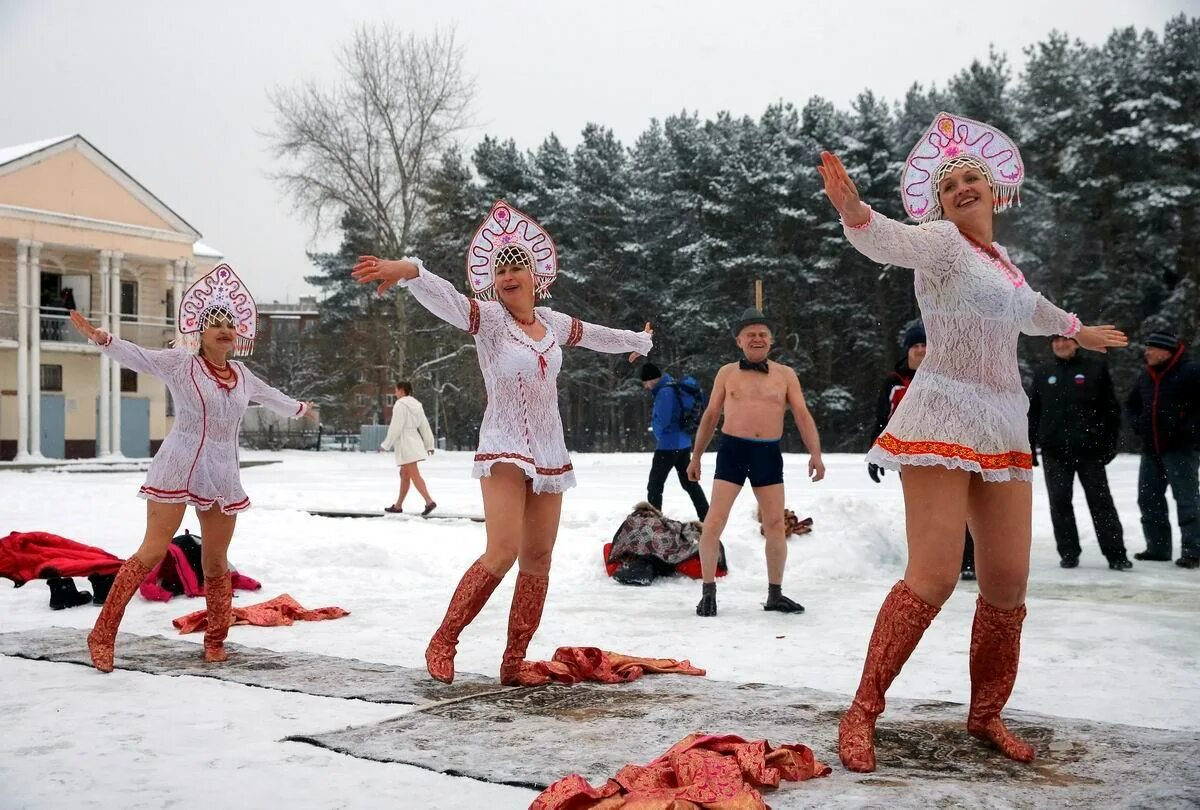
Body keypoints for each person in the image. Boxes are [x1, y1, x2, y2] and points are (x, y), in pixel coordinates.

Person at [818, 111, 1126, 772]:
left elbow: (1032, 308)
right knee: (931, 577)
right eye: (950, 180)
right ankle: (863, 709)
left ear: (995, 192)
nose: (961, 185)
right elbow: (889, 242)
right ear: (941, 201)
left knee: (1008, 582)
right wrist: (856, 213)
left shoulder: (1005, 265)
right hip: (942, 415)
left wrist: (1078, 327)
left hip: (1004, 422)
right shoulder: (942, 244)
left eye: (972, 177)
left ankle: (985, 715)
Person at [352, 200, 653, 685]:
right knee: (504, 550)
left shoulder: (553, 323)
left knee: (538, 558)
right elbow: (448, 298)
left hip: (550, 451)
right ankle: (444, 639)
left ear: (537, 277)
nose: (509, 274)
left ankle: (513, 663)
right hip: (504, 443)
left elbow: (595, 335)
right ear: (493, 281)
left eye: (518, 266)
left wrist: (636, 341)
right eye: (500, 269)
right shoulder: (488, 320)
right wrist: (411, 271)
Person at [68, 264, 314, 672]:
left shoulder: (241, 375)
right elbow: (140, 358)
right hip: (179, 464)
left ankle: (216, 639)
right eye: (214, 323)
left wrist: (301, 409)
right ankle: (102, 633)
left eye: (230, 325)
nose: (224, 330)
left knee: (216, 562)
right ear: (199, 331)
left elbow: (272, 397)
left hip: (221, 473)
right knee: (151, 551)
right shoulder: (182, 364)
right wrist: (103, 339)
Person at [687, 307, 825, 617]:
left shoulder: (786, 375)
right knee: (714, 522)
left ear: (771, 340)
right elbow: (710, 416)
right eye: (750, 334)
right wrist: (696, 456)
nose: (757, 338)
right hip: (732, 452)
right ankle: (708, 592)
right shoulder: (727, 373)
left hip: (767, 454)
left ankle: (775, 594)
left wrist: (815, 453)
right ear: (739, 341)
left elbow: (802, 415)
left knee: (775, 524)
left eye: (763, 333)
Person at [869, 321, 976, 581]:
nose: (920, 349)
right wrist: (875, 454)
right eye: (915, 345)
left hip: (945, 453)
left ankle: (967, 561)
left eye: (925, 345)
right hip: (910, 456)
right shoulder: (893, 382)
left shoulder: (946, 378)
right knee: (921, 511)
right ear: (907, 350)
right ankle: (925, 560)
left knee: (955, 509)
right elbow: (883, 420)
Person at [1028, 335, 1130, 570]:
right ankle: (1068, 552)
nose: (1061, 345)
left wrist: (1109, 444)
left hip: (1089, 450)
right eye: (1056, 341)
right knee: (1060, 502)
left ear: (1076, 343)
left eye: (1065, 340)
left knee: (1101, 502)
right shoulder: (1044, 372)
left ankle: (1116, 555)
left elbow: (1111, 409)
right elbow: (1034, 412)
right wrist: (1030, 446)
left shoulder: (1094, 369)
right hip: (1054, 451)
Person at [1124, 330, 1200, 569]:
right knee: (1149, 499)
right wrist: (1138, 425)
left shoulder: (1190, 372)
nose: (1146, 352)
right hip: (1151, 449)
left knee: (1186, 500)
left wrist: (1188, 430)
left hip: (1181, 450)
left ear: (1166, 352)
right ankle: (1158, 548)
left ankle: (1194, 550)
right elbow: (1131, 405)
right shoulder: (1146, 376)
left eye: (1151, 348)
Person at [640, 363, 709, 521]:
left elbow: (662, 421)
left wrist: (658, 434)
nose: (646, 387)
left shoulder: (664, 392)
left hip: (668, 446)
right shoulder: (674, 386)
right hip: (683, 444)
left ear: (651, 379)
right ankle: (707, 517)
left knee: (655, 485)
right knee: (690, 484)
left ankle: (654, 522)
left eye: (645, 383)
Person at [380, 380, 436, 515]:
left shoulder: (400, 405)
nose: (395, 394)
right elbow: (424, 426)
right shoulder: (417, 405)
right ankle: (398, 506)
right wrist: (429, 444)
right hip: (414, 440)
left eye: (395, 391)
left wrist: (386, 444)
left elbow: (396, 427)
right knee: (404, 474)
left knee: (413, 474)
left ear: (401, 390)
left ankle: (429, 501)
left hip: (406, 443)